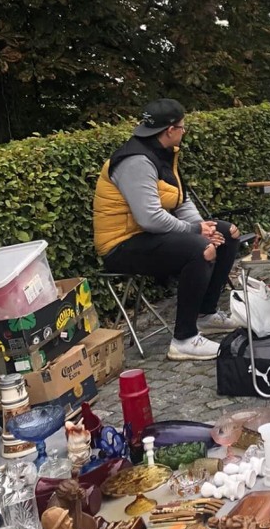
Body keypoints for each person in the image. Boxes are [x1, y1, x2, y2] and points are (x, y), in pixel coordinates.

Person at [93, 98, 240, 361]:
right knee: (201, 249)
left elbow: (181, 201)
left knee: (226, 234)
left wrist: (204, 226)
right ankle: (184, 339)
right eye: (183, 127)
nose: (184, 132)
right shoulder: (135, 161)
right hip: (122, 245)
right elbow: (149, 218)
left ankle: (206, 315)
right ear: (170, 130)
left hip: (148, 237)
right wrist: (196, 232)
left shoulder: (162, 154)